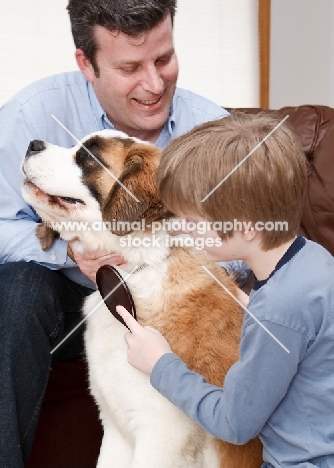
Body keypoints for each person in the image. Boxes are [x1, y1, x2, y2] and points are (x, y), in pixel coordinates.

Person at [0, 1, 230, 466]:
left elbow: (248, 250)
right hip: (65, 298)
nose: (153, 83)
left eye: (163, 59)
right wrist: (70, 251)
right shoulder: (32, 113)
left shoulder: (213, 130)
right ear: (86, 63)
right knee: (18, 289)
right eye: (129, 67)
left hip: (169, 296)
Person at [116, 113, 334, 468]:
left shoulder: (279, 309)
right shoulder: (313, 260)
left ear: (246, 227)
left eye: (191, 222)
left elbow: (234, 425)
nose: (180, 231)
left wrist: (160, 363)